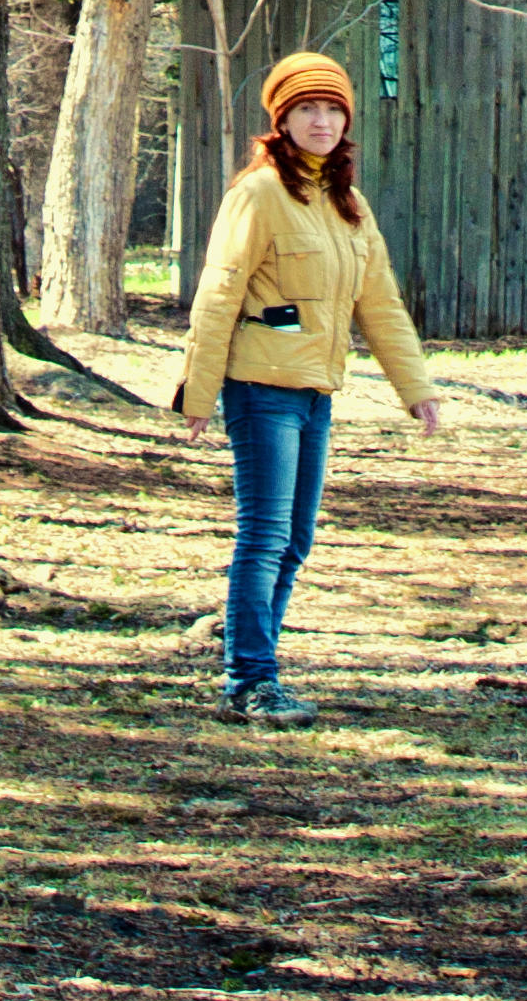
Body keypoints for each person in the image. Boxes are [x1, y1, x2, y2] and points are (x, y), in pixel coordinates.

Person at [166, 48, 442, 723]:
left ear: (346, 119)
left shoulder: (345, 202)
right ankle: (249, 682)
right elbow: (220, 292)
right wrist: (197, 393)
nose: (320, 121)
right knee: (262, 537)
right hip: (260, 390)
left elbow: (379, 304)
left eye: (332, 109)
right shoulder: (257, 193)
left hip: (317, 392)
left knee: (295, 541)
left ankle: (260, 668)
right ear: (281, 120)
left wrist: (418, 389)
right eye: (305, 110)